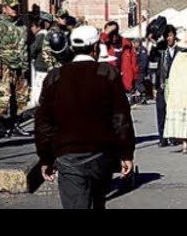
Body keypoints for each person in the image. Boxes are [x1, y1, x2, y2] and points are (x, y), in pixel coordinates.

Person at [35, 25, 135, 210]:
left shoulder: (55, 77)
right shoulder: (107, 73)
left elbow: (43, 122)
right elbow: (121, 118)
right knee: (98, 203)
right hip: (101, 154)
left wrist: (45, 157)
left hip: (67, 155)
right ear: (95, 48)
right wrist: (126, 154)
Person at [0, 0, 30, 138]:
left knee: (20, 98)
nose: (15, 10)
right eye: (12, 7)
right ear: (4, 8)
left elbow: (24, 47)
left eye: (16, 7)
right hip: (4, 66)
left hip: (19, 67)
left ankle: (15, 124)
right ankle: (1, 126)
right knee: (2, 98)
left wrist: (25, 66)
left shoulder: (21, 26)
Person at [149, 24, 180, 146]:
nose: (168, 38)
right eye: (166, 36)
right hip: (161, 85)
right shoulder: (160, 50)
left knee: (174, 112)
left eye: (170, 35)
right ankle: (162, 138)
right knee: (161, 111)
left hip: (176, 87)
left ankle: (174, 136)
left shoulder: (180, 51)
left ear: (174, 36)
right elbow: (152, 61)